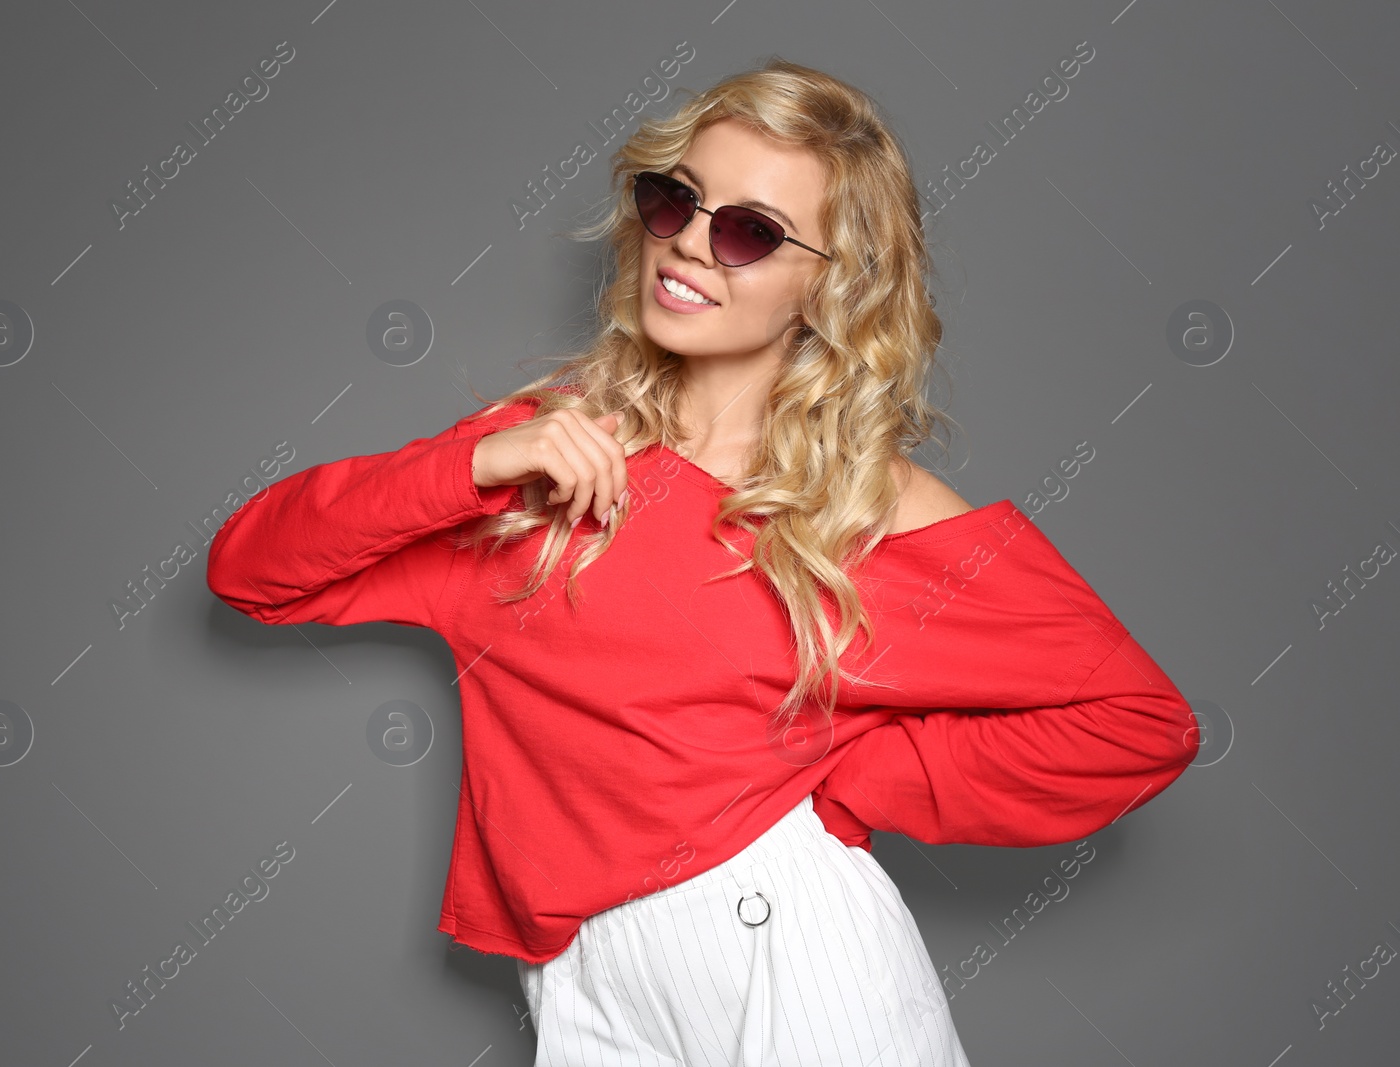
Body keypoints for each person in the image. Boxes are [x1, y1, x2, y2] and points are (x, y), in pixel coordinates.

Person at [206, 57, 1199, 1067]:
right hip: (580, 971)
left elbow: (1136, 723)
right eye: (675, 200)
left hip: (785, 940)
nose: (686, 243)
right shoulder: (544, 460)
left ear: (828, 285)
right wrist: (472, 461)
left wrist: (855, 783)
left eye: (748, 231)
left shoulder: (862, 508)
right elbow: (253, 568)